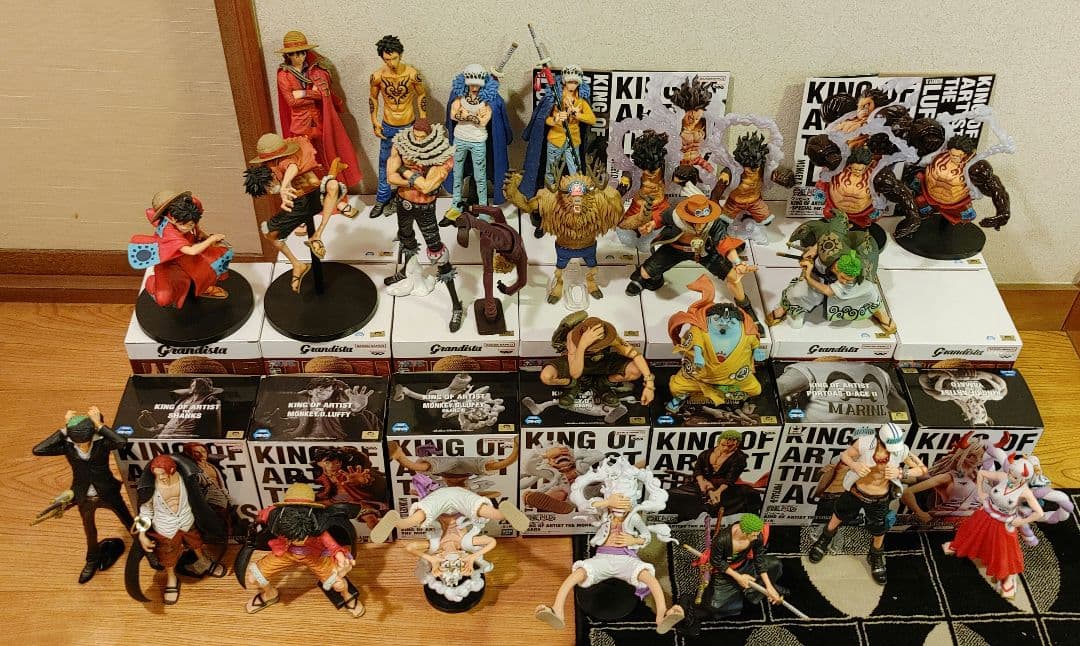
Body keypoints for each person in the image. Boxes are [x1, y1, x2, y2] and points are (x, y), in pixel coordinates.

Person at [535, 456, 684, 633]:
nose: (620, 506)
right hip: (603, 558)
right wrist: (607, 502)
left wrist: (633, 540)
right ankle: (557, 611)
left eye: (625, 501)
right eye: (616, 501)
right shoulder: (604, 514)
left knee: (650, 579)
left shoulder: (634, 518)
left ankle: (661, 615)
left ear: (633, 500)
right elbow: (585, 505)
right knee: (576, 575)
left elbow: (646, 537)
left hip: (627, 561)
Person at [807, 425, 927, 585]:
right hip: (856, 491)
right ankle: (825, 539)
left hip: (880, 498)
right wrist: (855, 465)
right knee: (839, 514)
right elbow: (845, 455)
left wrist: (902, 473)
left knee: (879, 528)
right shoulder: (864, 443)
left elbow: (922, 469)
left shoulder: (902, 450)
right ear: (879, 439)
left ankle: (876, 554)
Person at [32, 407, 134, 583]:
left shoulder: (102, 444)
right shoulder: (68, 447)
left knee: (129, 521)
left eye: (84, 441)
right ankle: (91, 560)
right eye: (77, 442)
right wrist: (65, 429)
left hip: (108, 492)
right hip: (84, 496)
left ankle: (148, 551)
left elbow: (122, 442)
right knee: (89, 531)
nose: (81, 445)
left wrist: (99, 425)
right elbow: (38, 450)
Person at [243, 132, 351, 293]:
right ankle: (297, 264)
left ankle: (317, 234)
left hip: (313, 197)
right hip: (299, 204)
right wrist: (278, 187)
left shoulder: (287, 162)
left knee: (333, 185)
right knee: (270, 234)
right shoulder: (270, 168)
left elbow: (291, 167)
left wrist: (284, 185)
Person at [384, 118, 463, 331]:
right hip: (403, 202)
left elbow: (428, 187)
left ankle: (456, 305)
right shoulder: (401, 144)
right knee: (405, 237)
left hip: (425, 208)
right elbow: (390, 178)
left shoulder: (441, 153)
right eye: (416, 137)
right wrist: (413, 180)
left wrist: (405, 171)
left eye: (422, 138)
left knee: (437, 251)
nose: (418, 141)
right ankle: (407, 271)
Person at [242, 483, 365, 616]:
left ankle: (347, 596)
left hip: (316, 557)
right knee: (253, 578)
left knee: (338, 584)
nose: (298, 540)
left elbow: (334, 547)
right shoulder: (276, 517)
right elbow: (263, 514)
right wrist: (255, 524)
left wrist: (341, 558)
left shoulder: (317, 525)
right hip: (286, 553)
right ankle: (270, 593)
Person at [943, 457, 1043, 599]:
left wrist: (1021, 521)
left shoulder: (1025, 492)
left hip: (1004, 523)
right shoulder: (1003, 477)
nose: (1010, 477)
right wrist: (980, 492)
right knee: (971, 533)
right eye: (1010, 472)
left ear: (1023, 479)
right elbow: (981, 473)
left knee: (1003, 551)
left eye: (1015, 476)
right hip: (986, 514)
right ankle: (958, 546)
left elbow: (1039, 513)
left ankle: (1008, 579)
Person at [132, 454, 226, 604]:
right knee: (168, 555)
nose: (160, 478)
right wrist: (142, 534)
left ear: (172, 470)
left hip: (187, 521)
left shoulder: (186, 481)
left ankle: (204, 562)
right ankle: (171, 578)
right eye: (157, 474)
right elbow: (145, 511)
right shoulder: (151, 488)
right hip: (165, 527)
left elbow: (198, 497)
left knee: (196, 543)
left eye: (162, 474)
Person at [275, 31, 360, 191]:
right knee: (305, 159)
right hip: (300, 125)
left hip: (318, 120)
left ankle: (332, 188)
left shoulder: (315, 71)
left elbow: (321, 95)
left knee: (327, 155)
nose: (299, 57)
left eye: (302, 53)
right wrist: (311, 94)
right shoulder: (284, 75)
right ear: (288, 55)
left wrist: (302, 93)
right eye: (295, 54)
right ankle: (313, 191)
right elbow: (292, 102)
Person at [682, 514, 784, 634]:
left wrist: (769, 586)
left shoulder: (756, 536)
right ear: (745, 532)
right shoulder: (722, 539)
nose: (757, 537)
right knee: (715, 606)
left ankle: (753, 593)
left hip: (745, 565)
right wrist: (738, 577)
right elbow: (716, 562)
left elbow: (759, 559)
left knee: (775, 564)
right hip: (725, 572)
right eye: (754, 535)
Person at [128, 190, 231, 307]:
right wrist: (211, 239)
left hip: (190, 256)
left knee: (218, 258)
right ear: (169, 217)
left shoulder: (187, 213)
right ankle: (152, 283)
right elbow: (191, 251)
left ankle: (203, 287)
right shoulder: (169, 231)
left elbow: (195, 228)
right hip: (172, 263)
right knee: (164, 299)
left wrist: (204, 236)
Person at [369, 35, 428, 218]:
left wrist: (423, 120)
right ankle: (382, 198)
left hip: (408, 125)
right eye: (387, 59)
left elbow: (421, 95)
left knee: (409, 163)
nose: (391, 63)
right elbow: (373, 98)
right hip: (388, 124)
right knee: (385, 162)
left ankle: (404, 197)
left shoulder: (412, 74)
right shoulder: (377, 76)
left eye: (394, 58)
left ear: (400, 55)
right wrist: (374, 121)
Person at [541, 313, 655, 407]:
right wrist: (582, 345)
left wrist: (649, 385)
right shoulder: (572, 337)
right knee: (546, 376)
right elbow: (575, 373)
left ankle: (602, 384)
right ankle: (573, 385)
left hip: (602, 362)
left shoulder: (609, 335)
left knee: (635, 370)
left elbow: (636, 355)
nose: (598, 347)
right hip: (575, 364)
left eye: (601, 344)